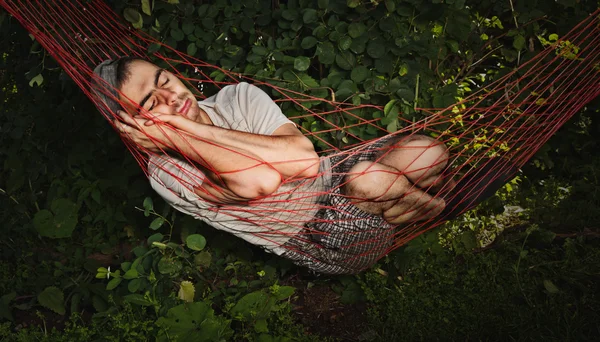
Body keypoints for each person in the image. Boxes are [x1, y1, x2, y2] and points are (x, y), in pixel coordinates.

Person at [93, 57, 453, 274]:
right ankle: (422, 205)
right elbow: (260, 181)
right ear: (133, 127)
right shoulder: (168, 174)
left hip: (332, 176)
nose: (172, 98)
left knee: (430, 151)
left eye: (164, 81)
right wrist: (180, 136)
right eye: (151, 104)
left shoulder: (237, 97)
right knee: (368, 179)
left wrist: (183, 125)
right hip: (318, 239)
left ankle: (401, 203)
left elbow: (304, 161)